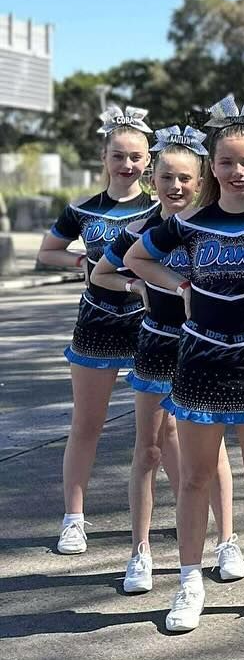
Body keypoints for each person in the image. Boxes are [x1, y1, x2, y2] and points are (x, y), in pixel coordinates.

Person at [123, 95, 244, 633]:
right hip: (198, 360)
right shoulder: (192, 223)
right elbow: (134, 258)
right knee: (195, 477)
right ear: (213, 168)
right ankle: (189, 583)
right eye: (227, 162)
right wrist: (179, 285)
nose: (238, 172)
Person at [93, 124, 235, 593]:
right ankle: (141, 551)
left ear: (201, 181)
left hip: (206, 347)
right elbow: (102, 273)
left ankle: (226, 540)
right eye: (167, 178)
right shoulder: (141, 230)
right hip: (156, 345)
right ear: (153, 179)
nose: (176, 187)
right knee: (150, 449)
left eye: (186, 179)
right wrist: (137, 286)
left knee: (211, 453)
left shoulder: (215, 226)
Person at [39, 104, 155, 555]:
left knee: (165, 433)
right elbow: (49, 251)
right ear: (104, 158)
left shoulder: (161, 206)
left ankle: (198, 512)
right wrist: (80, 262)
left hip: (152, 325)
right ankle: (73, 519)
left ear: (149, 160)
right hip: (96, 323)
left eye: (136, 157)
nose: (128, 165)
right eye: (119, 156)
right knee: (87, 423)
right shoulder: (82, 209)